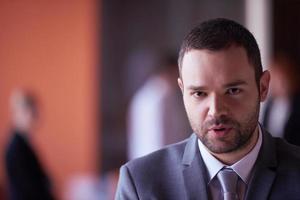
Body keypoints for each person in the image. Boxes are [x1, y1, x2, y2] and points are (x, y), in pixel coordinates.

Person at [115, 18, 300, 200]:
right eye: (199, 94)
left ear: (263, 88)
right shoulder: (140, 184)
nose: (216, 111)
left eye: (233, 90)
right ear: (182, 92)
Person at [127, 54, 191, 160]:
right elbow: (159, 139)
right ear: (173, 70)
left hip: (143, 162)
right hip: (159, 164)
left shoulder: (143, 94)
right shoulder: (162, 97)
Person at [5, 90, 55, 200]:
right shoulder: (16, 148)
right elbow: (30, 188)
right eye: (32, 113)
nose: (35, 118)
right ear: (19, 113)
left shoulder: (24, 144)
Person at [262, 55, 300, 145]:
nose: (280, 83)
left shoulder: (297, 104)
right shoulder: (268, 105)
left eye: (283, 79)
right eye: (276, 79)